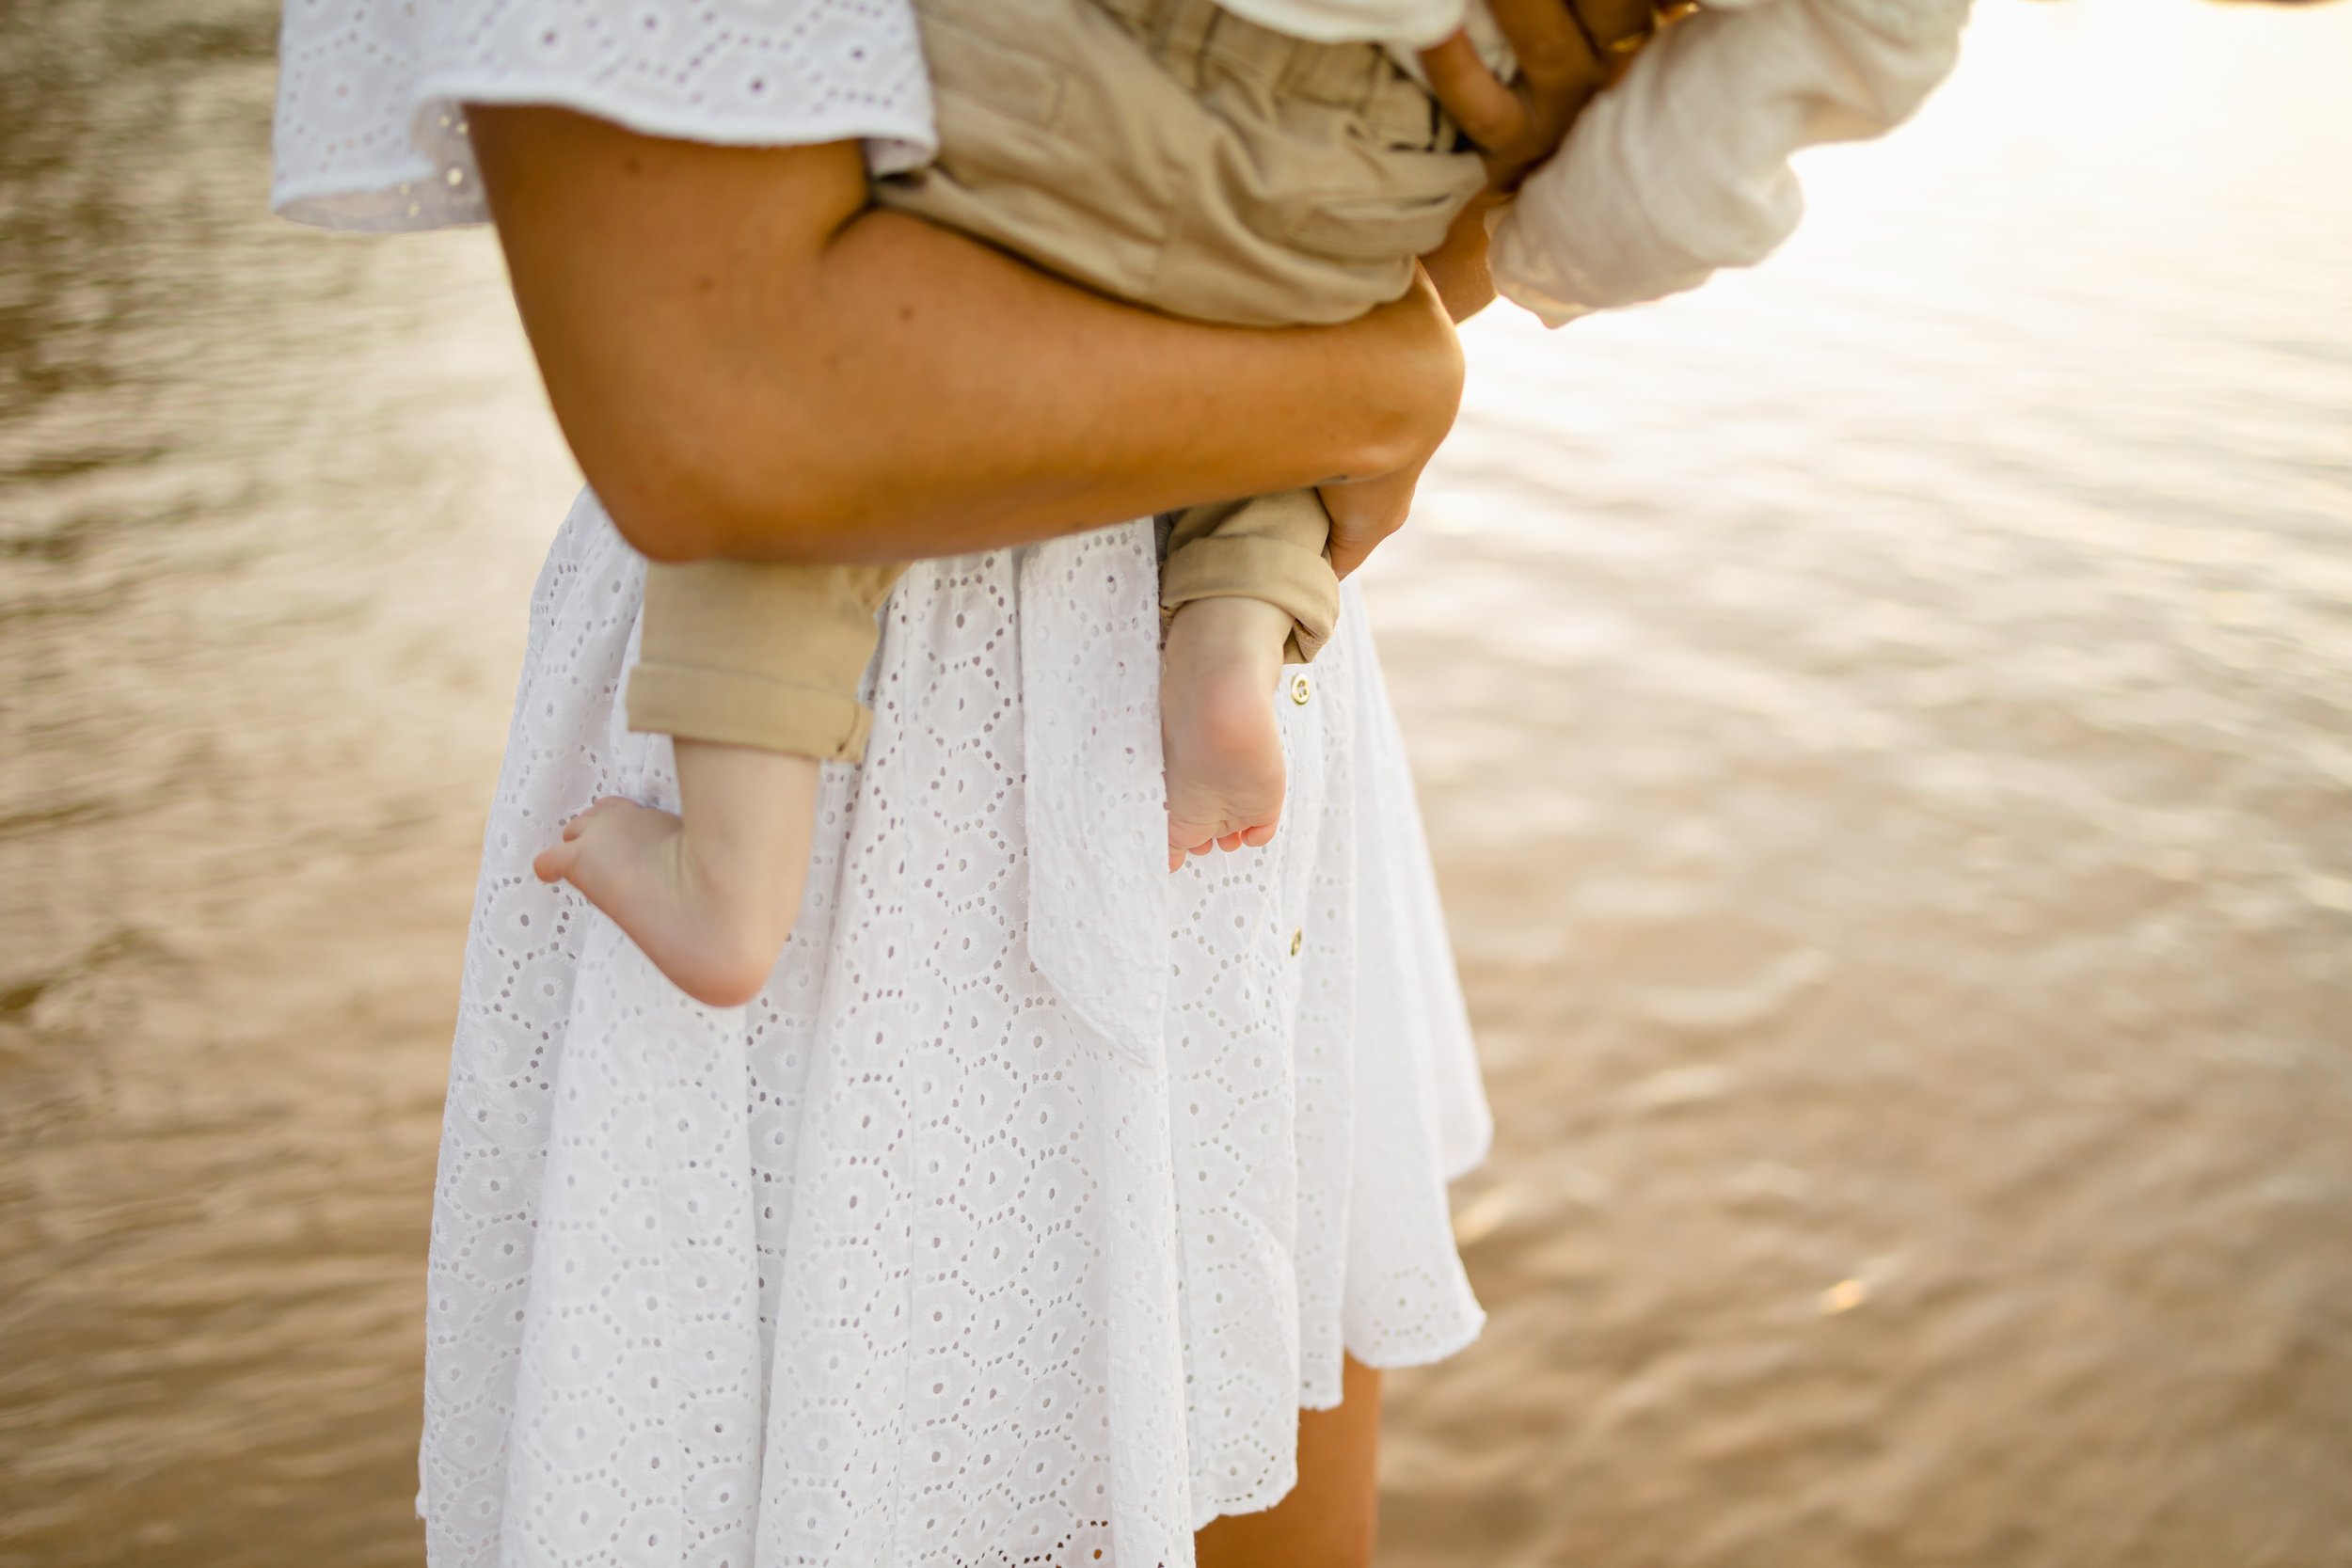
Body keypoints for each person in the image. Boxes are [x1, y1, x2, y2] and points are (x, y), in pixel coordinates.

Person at [272, 1, 1598, 1562]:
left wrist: (1396, 351)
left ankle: (732, 886)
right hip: (1095, 637)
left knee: (1248, 1458)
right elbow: (713, 399)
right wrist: (1389, 381)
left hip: (843, 685)